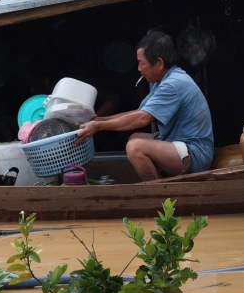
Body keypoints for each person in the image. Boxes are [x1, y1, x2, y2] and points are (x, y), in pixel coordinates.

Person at [76, 31, 214, 181]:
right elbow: (139, 112)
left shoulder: (172, 85)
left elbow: (142, 118)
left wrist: (100, 127)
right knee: (135, 137)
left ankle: (160, 192)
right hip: (178, 144)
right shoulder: (162, 81)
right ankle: (161, 179)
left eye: (142, 63)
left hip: (195, 154)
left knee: (135, 147)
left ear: (159, 63)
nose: (139, 68)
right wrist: (99, 120)